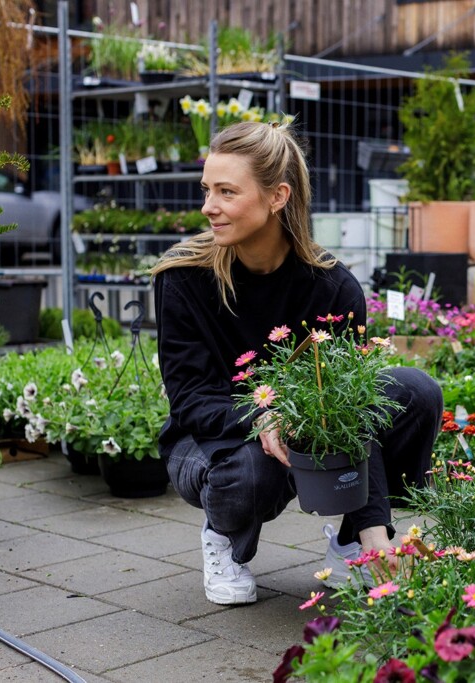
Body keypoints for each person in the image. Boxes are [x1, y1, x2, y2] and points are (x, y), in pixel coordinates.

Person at [151, 120, 443, 605]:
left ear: (277, 196)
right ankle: (224, 537)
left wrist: (374, 526)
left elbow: (351, 413)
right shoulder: (184, 277)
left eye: (226, 191)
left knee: (413, 392)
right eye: (207, 190)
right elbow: (191, 400)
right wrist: (263, 415)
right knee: (251, 472)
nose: (208, 207)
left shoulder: (331, 287)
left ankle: (353, 544)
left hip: (304, 425)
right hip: (207, 438)